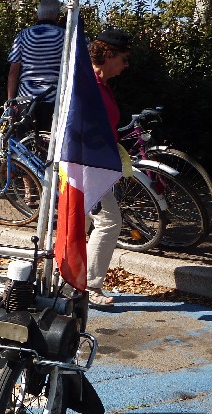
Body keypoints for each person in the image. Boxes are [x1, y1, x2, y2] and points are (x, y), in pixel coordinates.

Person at [86, 27, 131, 306]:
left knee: (81, 221)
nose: (126, 66)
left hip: (95, 164)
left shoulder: (99, 83)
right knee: (109, 222)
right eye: (124, 59)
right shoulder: (90, 84)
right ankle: (89, 286)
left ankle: (67, 280)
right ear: (109, 54)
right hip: (89, 165)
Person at [7, 0, 64, 136]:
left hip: (25, 100)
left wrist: (11, 102)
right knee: (49, 144)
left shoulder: (23, 35)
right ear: (58, 16)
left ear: (38, 15)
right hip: (54, 100)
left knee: (24, 145)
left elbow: (13, 73)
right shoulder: (65, 35)